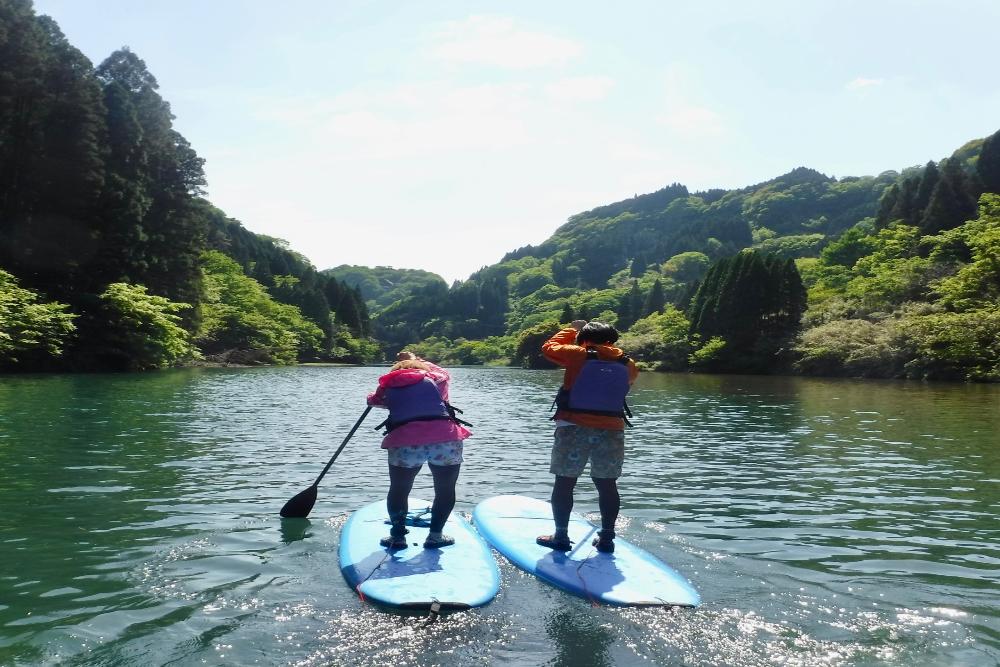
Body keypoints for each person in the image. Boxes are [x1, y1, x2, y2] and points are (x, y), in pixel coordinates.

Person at [536, 320, 638, 554]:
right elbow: (627, 384)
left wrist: (572, 328)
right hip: (612, 428)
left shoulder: (577, 353)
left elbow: (548, 347)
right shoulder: (628, 363)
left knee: (565, 481)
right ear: (612, 340)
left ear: (584, 339)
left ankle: (560, 536)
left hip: (573, 426)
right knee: (607, 484)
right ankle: (607, 539)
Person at [367, 351, 472, 550]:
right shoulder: (436, 379)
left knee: (399, 489)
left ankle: (398, 537)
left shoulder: (386, 386)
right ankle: (435, 536)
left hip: (405, 442)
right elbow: (444, 373)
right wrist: (417, 359)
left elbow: (373, 401)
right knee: (445, 489)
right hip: (445, 440)